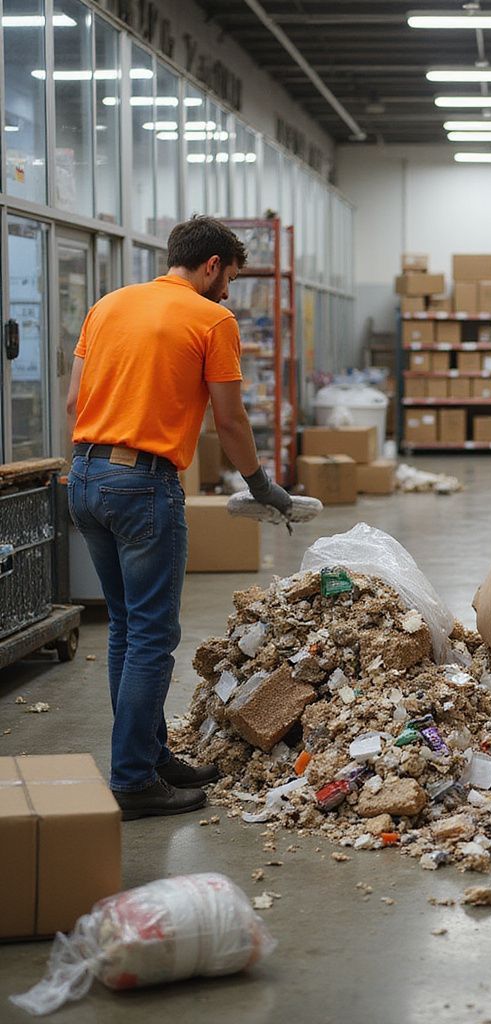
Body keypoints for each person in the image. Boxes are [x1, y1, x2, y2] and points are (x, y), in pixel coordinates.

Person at [66, 216, 292, 821]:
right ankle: (135, 779)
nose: (229, 294)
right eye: (230, 279)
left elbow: (73, 403)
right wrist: (262, 486)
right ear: (212, 264)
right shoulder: (211, 319)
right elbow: (231, 419)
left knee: (125, 627)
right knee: (153, 636)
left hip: (84, 476)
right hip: (142, 485)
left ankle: (149, 754)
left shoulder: (107, 306)